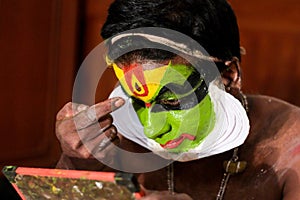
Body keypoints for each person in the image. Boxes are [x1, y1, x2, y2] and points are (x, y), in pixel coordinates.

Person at [55, 0, 300, 199]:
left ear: (228, 76)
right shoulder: (116, 134)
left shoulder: (290, 144)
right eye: (137, 101)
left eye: (172, 101)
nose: (151, 129)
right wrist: (75, 162)